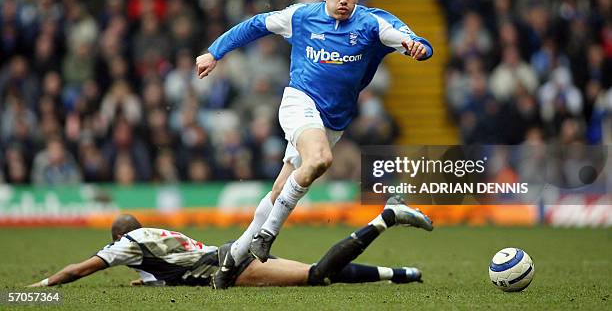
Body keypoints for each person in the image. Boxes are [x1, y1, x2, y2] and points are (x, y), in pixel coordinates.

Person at [195, 0, 434, 288]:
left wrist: (419, 48)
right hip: (299, 103)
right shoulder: (301, 16)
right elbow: (254, 25)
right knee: (319, 159)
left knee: (281, 189)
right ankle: (267, 235)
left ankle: (232, 258)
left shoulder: (373, 23)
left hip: (334, 120)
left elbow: (416, 42)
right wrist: (214, 52)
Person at [27, 197, 433, 288]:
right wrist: (152, 280)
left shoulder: (127, 243)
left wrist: (39, 288)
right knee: (317, 275)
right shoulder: (154, 235)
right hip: (226, 257)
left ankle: (385, 217)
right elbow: (177, 267)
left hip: (232, 265)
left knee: (316, 275)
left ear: (119, 237)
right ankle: (401, 273)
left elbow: (81, 268)